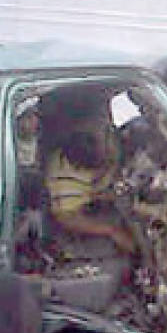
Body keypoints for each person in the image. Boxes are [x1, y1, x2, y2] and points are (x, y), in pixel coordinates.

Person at [45, 110, 135, 261]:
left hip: (97, 194)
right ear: (81, 166)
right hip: (80, 221)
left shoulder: (77, 148)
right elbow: (66, 218)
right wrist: (111, 231)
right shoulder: (64, 182)